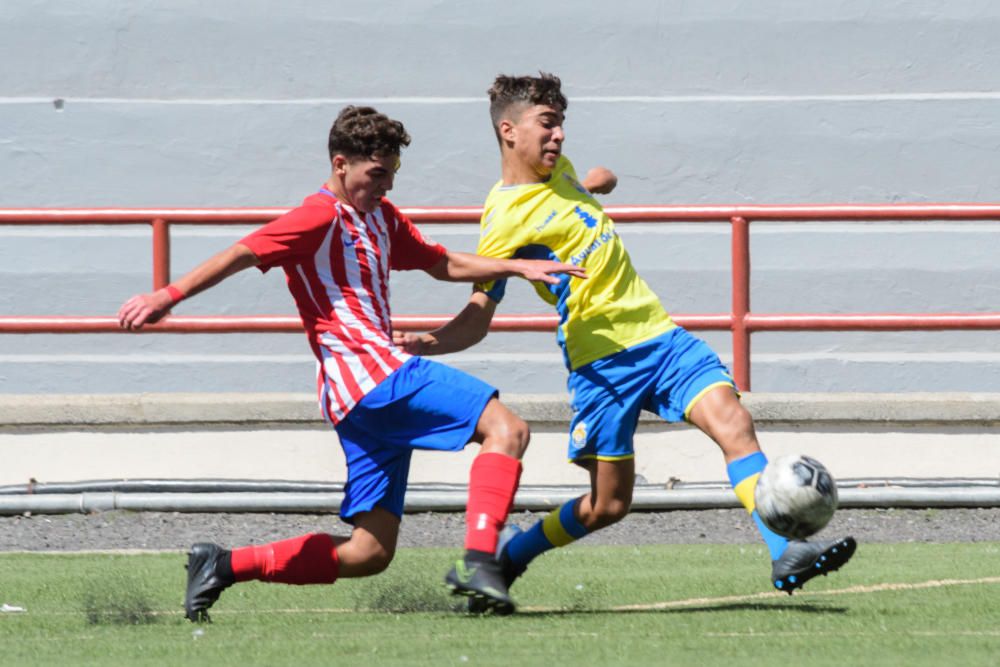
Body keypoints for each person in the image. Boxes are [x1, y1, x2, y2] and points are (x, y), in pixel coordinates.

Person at [393, 73, 856, 604]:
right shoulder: (503, 220)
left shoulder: (560, 173)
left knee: (733, 421)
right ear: (508, 130)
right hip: (603, 364)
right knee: (608, 505)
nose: (559, 135)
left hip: (660, 336)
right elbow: (480, 313)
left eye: (561, 124)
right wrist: (428, 341)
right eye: (546, 124)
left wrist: (594, 183)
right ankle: (509, 556)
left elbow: (574, 198)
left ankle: (783, 552)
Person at [117, 105, 586, 620]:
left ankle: (223, 565)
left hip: (354, 395)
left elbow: (442, 263)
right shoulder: (318, 215)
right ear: (341, 164)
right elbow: (242, 253)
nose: (385, 185)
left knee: (369, 553)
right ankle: (481, 561)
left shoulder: (381, 216)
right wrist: (168, 294)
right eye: (376, 174)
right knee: (507, 429)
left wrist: (518, 266)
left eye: (392, 174)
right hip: (374, 375)